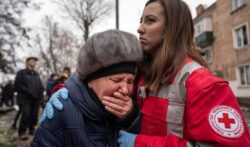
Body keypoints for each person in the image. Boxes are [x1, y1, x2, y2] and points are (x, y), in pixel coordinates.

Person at [42, 0, 250, 146]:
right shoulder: (140, 72)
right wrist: (66, 93)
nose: (140, 28)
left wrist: (140, 143)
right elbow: (96, 78)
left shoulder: (205, 86)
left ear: (172, 29)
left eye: (150, 21)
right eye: (141, 20)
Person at [31, 29, 143, 147]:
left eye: (130, 81)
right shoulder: (62, 109)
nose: (125, 90)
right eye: (116, 80)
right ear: (91, 81)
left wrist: (130, 119)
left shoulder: (131, 109)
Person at [14, 56, 44, 140]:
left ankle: (32, 129)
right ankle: (22, 132)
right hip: (25, 98)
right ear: (27, 62)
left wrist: (41, 95)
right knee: (26, 114)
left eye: (35, 61)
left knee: (34, 115)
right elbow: (17, 85)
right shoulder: (21, 73)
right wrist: (28, 92)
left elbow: (40, 86)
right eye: (33, 61)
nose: (34, 62)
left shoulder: (36, 74)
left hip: (36, 99)